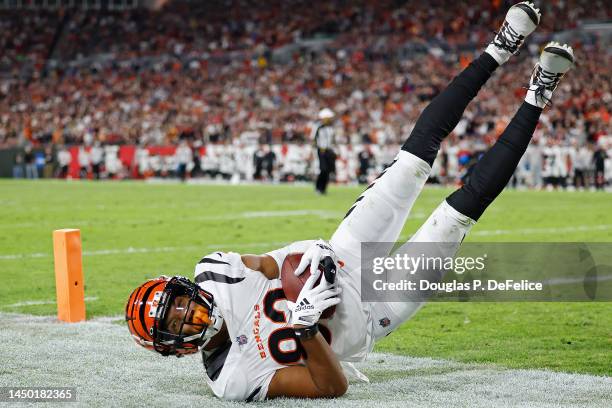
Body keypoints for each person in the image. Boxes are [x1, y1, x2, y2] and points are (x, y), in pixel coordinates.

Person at [125, 3, 575, 401]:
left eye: (177, 301)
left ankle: (501, 46)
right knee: (458, 213)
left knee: (413, 160)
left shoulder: (215, 272)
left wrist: (310, 255)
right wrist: (304, 329)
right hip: (374, 312)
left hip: (340, 256)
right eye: (175, 320)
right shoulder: (231, 379)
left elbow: (269, 263)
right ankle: (540, 92)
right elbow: (330, 387)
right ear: (174, 346)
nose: (187, 311)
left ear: (182, 285)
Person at [312, 108, 337, 194]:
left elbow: (333, 140)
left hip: (329, 151)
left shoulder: (331, 127)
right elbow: (314, 139)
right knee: (323, 169)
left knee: (328, 170)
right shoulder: (318, 127)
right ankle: (318, 188)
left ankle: (323, 189)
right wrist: (315, 149)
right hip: (322, 150)